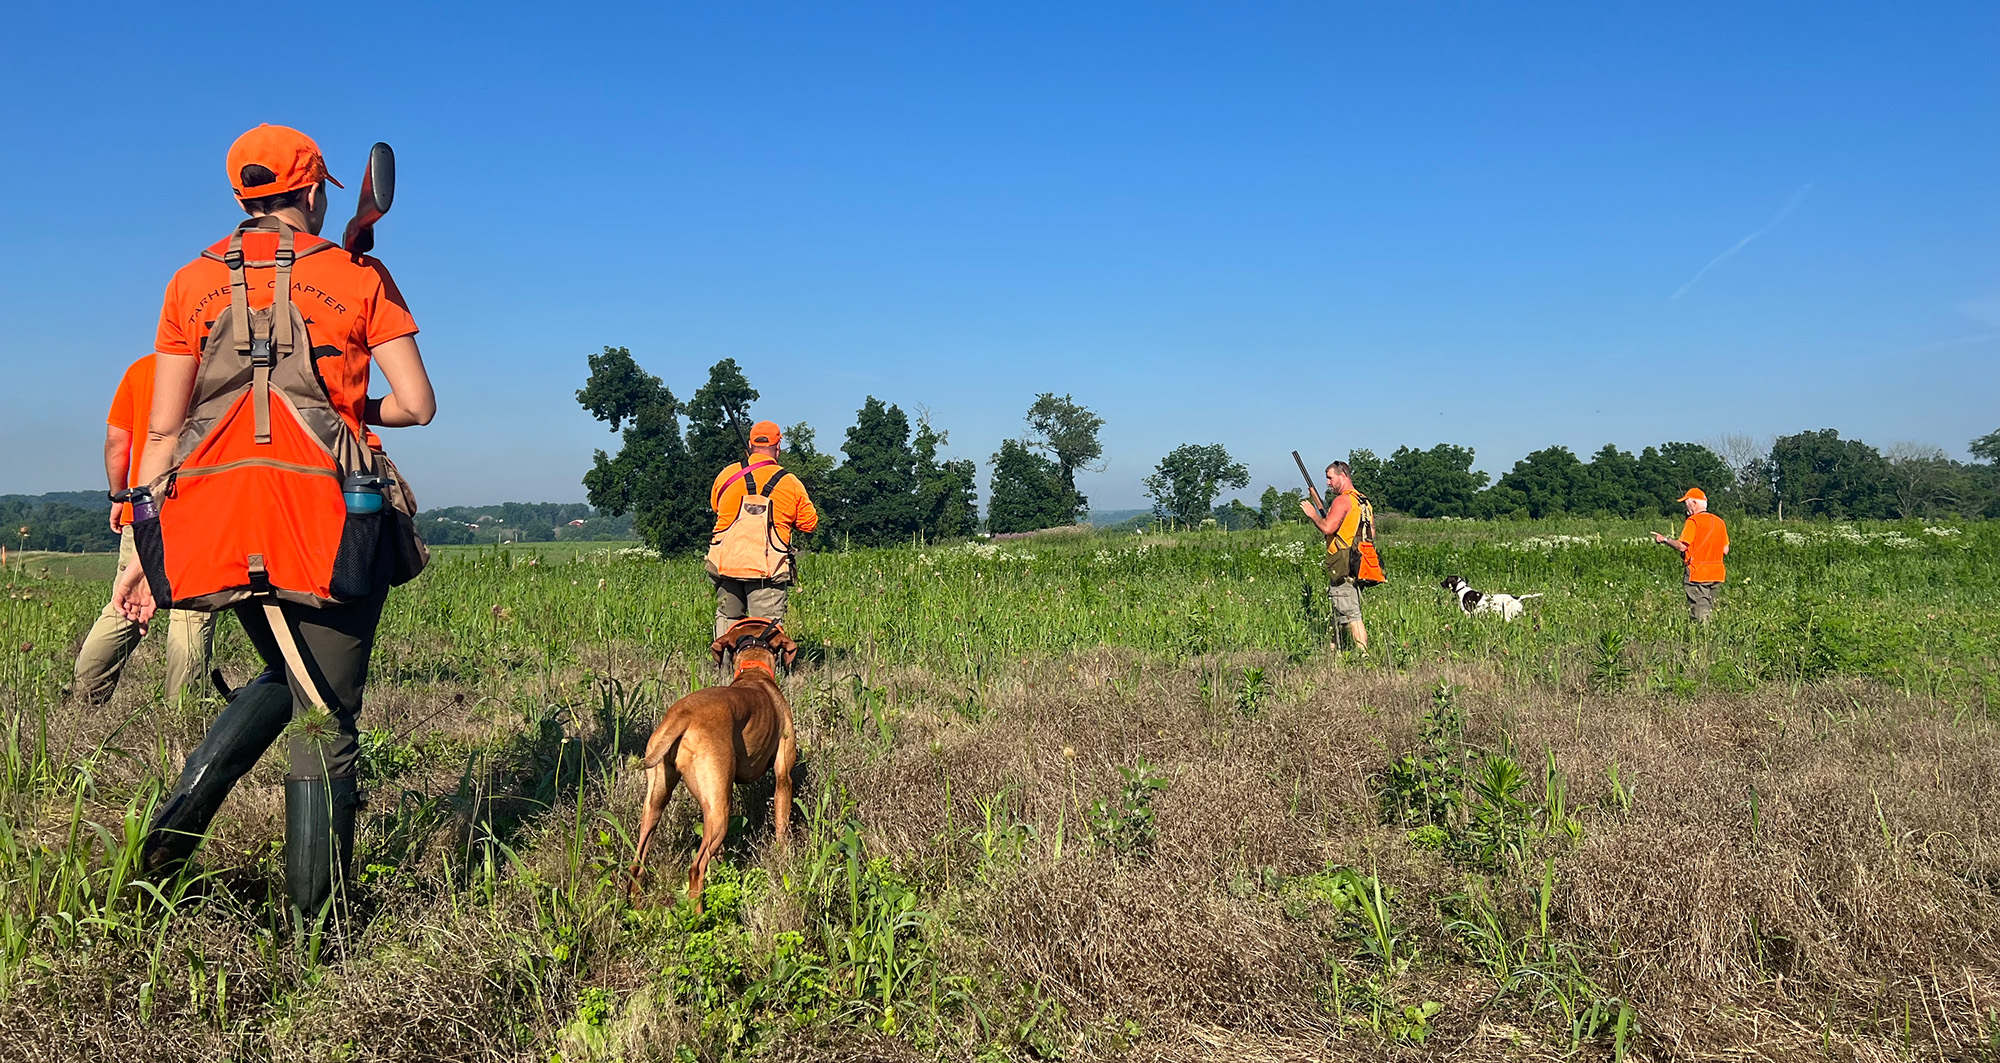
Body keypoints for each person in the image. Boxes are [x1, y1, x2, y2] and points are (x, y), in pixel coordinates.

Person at [110, 124, 435, 916]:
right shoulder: (361, 276)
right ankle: (315, 928)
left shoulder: (190, 282)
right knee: (328, 717)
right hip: (330, 524)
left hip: (215, 525)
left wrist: (142, 550)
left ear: (242, 197)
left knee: (287, 674)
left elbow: (163, 428)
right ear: (317, 189)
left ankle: (165, 846)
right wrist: (351, 404)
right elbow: (418, 406)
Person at [71, 356, 216, 704]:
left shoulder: (143, 370)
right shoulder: (223, 367)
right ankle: (182, 711)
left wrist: (118, 495)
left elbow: (117, 441)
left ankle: (83, 697)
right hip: (204, 508)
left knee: (125, 605)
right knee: (191, 614)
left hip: (144, 508)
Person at [707, 420, 817, 640]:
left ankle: (725, 669)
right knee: (766, 628)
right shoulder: (790, 482)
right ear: (778, 448)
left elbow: (716, 507)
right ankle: (760, 669)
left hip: (726, 563)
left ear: (750, 444)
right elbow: (809, 523)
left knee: (727, 621)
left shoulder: (727, 475)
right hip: (766, 568)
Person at [1300, 460, 1370, 652]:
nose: (1328, 483)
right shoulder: (1362, 501)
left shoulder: (1342, 500)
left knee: (1352, 614)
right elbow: (1370, 532)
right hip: (1360, 561)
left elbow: (1327, 527)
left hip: (1343, 563)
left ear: (1343, 476)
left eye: (1330, 478)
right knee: (1340, 609)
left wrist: (1313, 514)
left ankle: (1365, 658)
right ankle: (1332, 654)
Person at [1653, 487, 1728, 622]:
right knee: (1709, 606)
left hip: (1698, 572)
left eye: (1686, 503)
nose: (1685, 507)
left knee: (1699, 610)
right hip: (1717, 572)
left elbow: (1682, 546)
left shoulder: (1693, 521)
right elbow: (1725, 550)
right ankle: (1711, 636)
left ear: (1694, 503)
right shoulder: (1719, 522)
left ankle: (1702, 639)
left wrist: (1664, 540)